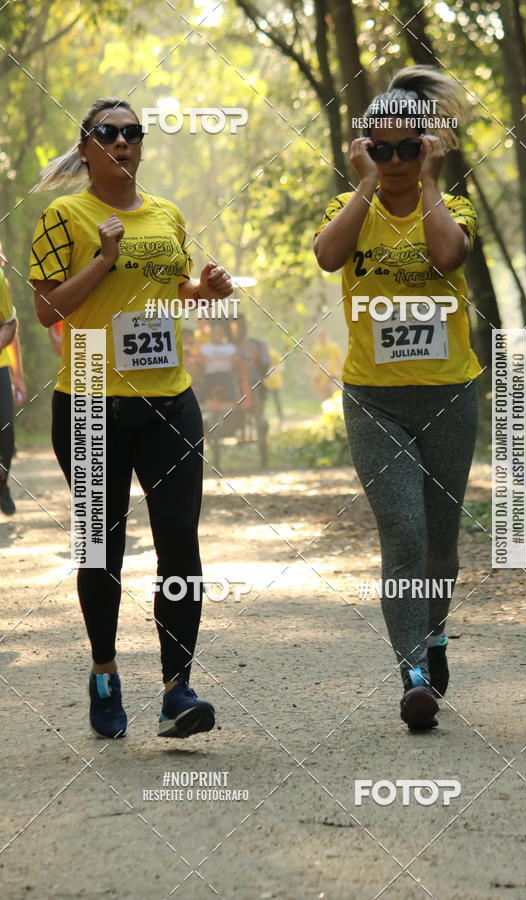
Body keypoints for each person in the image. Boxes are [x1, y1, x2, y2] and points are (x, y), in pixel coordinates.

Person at [29, 97, 232, 739]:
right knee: (101, 547)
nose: (122, 142)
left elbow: (172, 292)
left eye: (132, 133)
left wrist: (205, 291)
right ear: (85, 148)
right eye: (107, 133)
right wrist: (102, 259)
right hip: (90, 396)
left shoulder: (166, 214)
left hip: (169, 398)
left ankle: (177, 688)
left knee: (180, 543)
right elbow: (46, 311)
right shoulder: (64, 216)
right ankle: (104, 670)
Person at [314, 65, 480, 731]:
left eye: (408, 147)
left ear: (427, 147)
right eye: (379, 149)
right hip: (374, 401)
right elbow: (328, 256)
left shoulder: (451, 207)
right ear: (364, 150)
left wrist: (431, 181)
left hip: (448, 395)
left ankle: (434, 638)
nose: (394, 160)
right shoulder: (350, 207)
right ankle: (412, 673)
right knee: (404, 533)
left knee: (440, 542)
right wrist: (364, 185)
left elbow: (447, 257)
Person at [0, 247, 27, 515]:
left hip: (1, 366)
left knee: (5, 430)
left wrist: (18, 376)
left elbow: (11, 327)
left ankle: (3, 483)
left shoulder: (1, 282)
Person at [196, 320, 239, 403]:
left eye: (220, 331)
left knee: (232, 393)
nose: (217, 334)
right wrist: (224, 359)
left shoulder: (230, 347)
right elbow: (200, 361)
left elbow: (235, 360)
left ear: (224, 333)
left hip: (226, 374)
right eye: (215, 331)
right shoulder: (205, 347)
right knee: (201, 393)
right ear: (211, 332)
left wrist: (211, 360)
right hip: (210, 375)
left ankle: (234, 404)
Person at [311, 329, 344, 400]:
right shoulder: (315, 349)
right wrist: (312, 375)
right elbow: (312, 364)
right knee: (324, 396)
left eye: (324, 337)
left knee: (332, 390)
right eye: (321, 337)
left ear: (328, 337)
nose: (323, 339)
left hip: (333, 374)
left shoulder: (334, 347)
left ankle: (335, 402)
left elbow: (340, 360)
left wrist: (342, 372)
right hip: (321, 375)